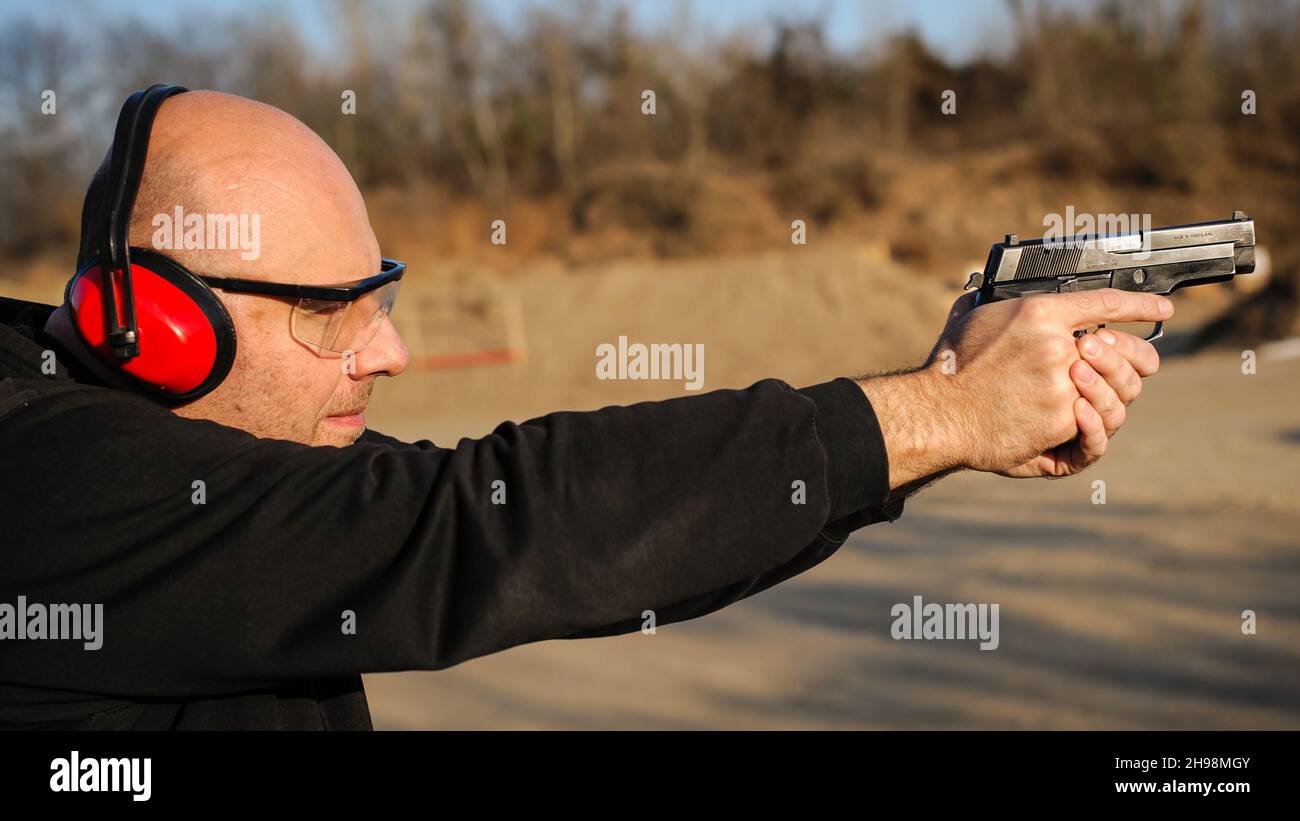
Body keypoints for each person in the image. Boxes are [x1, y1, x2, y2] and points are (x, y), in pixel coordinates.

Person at [0, 88, 1169, 729]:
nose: (391, 350)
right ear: (150, 321)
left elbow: (600, 542)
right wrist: (941, 413)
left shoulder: (170, 460)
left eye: (381, 301)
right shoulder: (48, 488)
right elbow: (482, 525)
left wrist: (925, 424)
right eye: (330, 311)